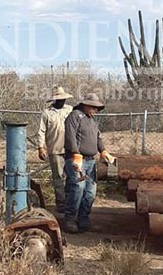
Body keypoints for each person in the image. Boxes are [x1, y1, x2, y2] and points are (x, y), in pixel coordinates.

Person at [62, 93, 115, 233]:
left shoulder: (92, 120)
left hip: (91, 161)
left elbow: (98, 137)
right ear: (85, 105)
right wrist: (75, 153)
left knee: (90, 192)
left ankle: (83, 219)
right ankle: (70, 220)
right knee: (77, 189)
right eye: (93, 107)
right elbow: (70, 135)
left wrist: (103, 151)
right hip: (77, 160)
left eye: (97, 108)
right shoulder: (75, 116)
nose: (95, 110)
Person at [36, 86, 74, 212]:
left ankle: (70, 202)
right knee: (58, 177)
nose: (62, 101)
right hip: (55, 149)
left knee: (71, 176)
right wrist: (41, 147)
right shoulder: (47, 113)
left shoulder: (70, 110)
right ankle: (61, 204)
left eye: (63, 99)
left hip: (70, 149)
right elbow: (41, 131)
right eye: (59, 99)